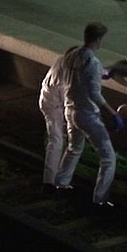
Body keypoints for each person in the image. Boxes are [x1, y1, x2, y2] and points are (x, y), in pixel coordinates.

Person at [54, 22, 124, 210]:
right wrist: (113, 114)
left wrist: (103, 74)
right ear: (98, 39)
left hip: (70, 111)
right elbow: (94, 93)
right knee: (108, 157)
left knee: (74, 148)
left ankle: (60, 184)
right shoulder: (93, 62)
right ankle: (100, 199)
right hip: (87, 115)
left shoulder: (71, 56)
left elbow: (79, 77)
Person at [38, 45, 78, 195]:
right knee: (56, 141)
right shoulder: (65, 78)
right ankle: (50, 183)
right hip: (53, 105)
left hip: (50, 102)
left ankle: (55, 179)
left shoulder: (62, 61)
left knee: (58, 140)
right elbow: (68, 101)